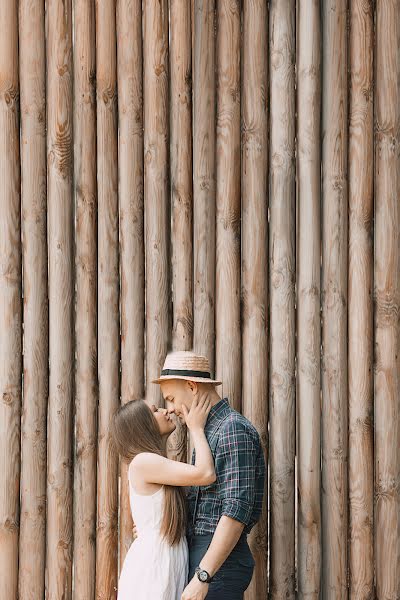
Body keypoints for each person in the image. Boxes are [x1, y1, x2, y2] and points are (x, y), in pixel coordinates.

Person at [151, 350, 266, 600]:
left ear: (192, 386)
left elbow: (235, 511)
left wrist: (204, 575)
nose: (170, 409)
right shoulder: (206, 430)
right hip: (206, 558)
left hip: (219, 565)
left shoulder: (232, 429)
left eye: (171, 398)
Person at [111, 392, 216, 599]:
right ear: (142, 425)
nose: (166, 410)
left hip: (166, 559)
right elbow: (206, 473)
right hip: (153, 565)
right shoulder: (142, 462)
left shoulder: (153, 463)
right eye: (155, 410)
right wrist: (196, 428)